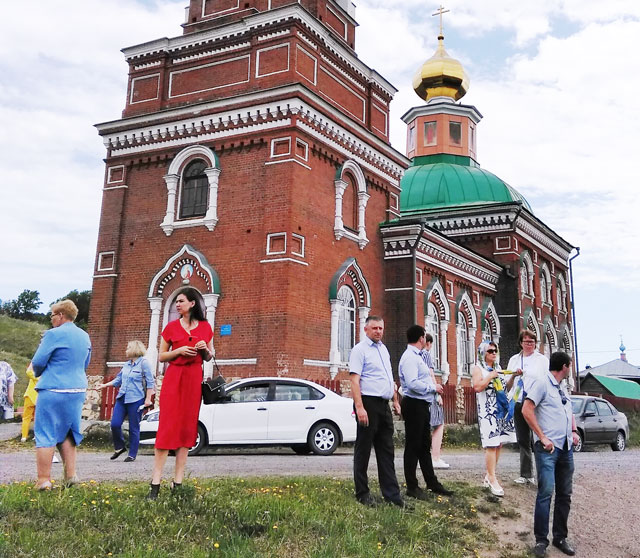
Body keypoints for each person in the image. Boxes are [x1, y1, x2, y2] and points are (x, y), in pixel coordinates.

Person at [148, 288, 213, 500]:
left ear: (193, 304)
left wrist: (204, 349)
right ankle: (155, 483)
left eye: (181, 301)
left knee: (187, 429)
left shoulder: (205, 327)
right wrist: (179, 351)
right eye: (176, 302)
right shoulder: (171, 327)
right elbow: (161, 356)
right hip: (174, 378)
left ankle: (178, 482)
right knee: (167, 427)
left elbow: (210, 356)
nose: (177, 305)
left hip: (193, 380)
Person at [31, 300, 92, 490]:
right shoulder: (85, 336)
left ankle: (43, 480)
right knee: (68, 433)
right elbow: (85, 363)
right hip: (77, 389)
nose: (51, 320)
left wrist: (39, 373)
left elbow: (38, 362)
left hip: (53, 388)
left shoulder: (53, 335)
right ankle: (71, 476)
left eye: (52, 316)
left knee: (46, 432)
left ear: (60, 315)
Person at [522, 351, 578, 558]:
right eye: (569, 366)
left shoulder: (563, 388)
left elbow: (568, 411)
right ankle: (541, 540)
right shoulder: (541, 383)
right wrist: (542, 437)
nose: (569, 369)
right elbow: (527, 410)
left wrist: (573, 431)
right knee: (546, 492)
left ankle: (560, 537)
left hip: (566, 449)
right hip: (547, 449)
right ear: (564, 366)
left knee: (565, 494)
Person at [349, 315, 405, 507]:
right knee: (363, 450)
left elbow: (389, 379)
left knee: (387, 450)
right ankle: (362, 493)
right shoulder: (359, 350)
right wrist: (359, 407)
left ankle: (392, 495)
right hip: (368, 404)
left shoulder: (384, 349)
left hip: (383, 405)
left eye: (381, 328)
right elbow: (355, 381)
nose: (378, 332)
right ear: (366, 329)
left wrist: (395, 401)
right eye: (374, 328)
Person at [399, 325, 453, 500]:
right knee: (413, 446)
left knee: (423, 446)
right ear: (421, 338)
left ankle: (432, 483)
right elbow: (412, 383)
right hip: (413, 404)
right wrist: (433, 387)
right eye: (424, 337)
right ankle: (412, 486)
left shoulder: (417, 357)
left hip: (422, 404)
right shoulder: (409, 358)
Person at [472, 341, 517, 497]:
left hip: (499, 409)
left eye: (495, 350)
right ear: (482, 353)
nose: (493, 353)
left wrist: (513, 377)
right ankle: (492, 478)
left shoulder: (498, 369)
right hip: (487, 411)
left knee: (498, 444)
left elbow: (506, 388)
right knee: (491, 444)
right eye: (490, 351)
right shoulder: (479, 369)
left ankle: (489, 475)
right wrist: (490, 376)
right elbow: (477, 387)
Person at [97, 341, 154, 462]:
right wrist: (104, 385)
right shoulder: (127, 364)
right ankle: (120, 447)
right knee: (115, 424)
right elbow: (118, 380)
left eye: (128, 348)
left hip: (136, 399)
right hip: (122, 397)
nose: (126, 350)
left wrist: (148, 399)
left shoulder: (144, 364)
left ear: (134, 349)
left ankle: (132, 454)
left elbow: (150, 382)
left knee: (134, 427)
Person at [507, 330, 550, 485]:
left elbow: (545, 381)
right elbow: (507, 385)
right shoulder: (514, 359)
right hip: (519, 400)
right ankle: (526, 474)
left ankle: (544, 473)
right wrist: (514, 375)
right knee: (523, 439)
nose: (530, 345)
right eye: (527, 342)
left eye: (532, 342)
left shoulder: (542, 360)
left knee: (539, 438)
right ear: (521, 343)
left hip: (535, 402)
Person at [420, 338, 449, 469]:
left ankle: (422, 459)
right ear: (429, 343)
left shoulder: (414, 355)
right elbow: (430, 374)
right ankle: (435, 457)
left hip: (419, 394)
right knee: (439, 424)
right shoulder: (425, 354)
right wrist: (437, 394)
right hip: (430, 393)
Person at [21, 363, 37, 441]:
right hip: (39, 399)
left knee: (26, 418)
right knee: (37, 418)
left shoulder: (34, 375)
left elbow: (28, 372)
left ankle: (24, 436)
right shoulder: (44, 377)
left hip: (29, 397)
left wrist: (32, 363)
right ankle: (36, 435)